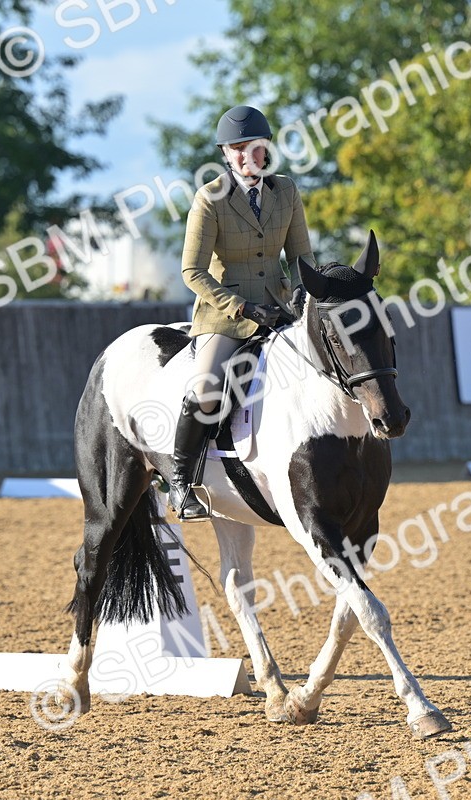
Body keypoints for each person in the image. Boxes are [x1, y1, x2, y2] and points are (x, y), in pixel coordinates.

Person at [171, 105, 315, 521]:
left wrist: (304, 297)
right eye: (236, 149)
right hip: (225, 315)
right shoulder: (210, 198)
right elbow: (191, 271)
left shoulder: (286, 191)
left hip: (279, 307)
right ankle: (180, 484)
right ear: (225, 153)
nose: (245, 155)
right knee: (206, 388)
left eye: (253, 147)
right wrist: (241, 306)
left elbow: (302, 256)